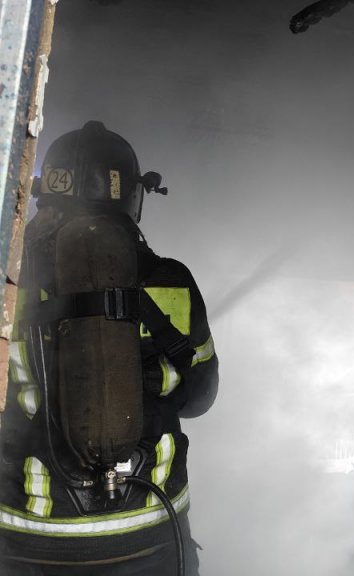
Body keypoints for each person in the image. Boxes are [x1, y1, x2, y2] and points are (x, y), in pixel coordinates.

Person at [0, 121, 218, 575]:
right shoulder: (172, 283)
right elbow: (200, 398)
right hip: (147, 535)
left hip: (24, 535)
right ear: (132, 196)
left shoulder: (9, 282)